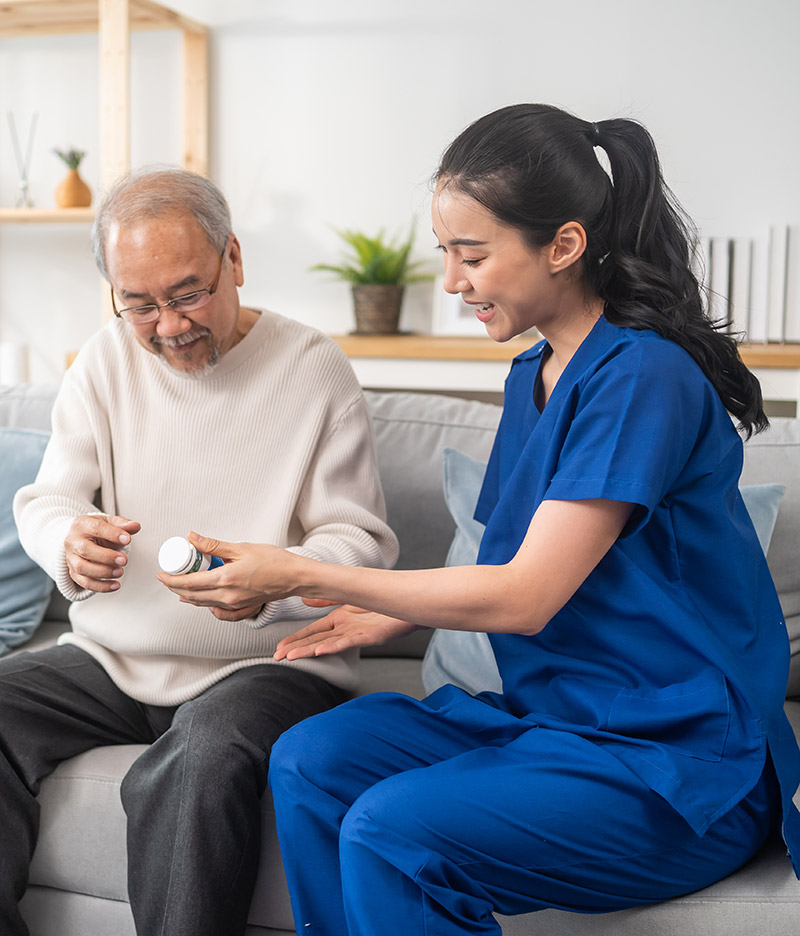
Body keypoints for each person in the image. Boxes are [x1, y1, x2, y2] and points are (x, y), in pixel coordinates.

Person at [159, 105, 800, 935]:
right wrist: (381, 611)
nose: (454, 281)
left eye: (473, 255)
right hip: (560, 729)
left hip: (679, 764)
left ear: (563, 246)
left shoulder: (643, 377)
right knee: (312, 759)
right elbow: (508, 557)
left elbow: (525, 596)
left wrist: (302, 569)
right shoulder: (533, 374)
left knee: (392, 830)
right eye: (447, 255)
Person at [4, 166, 398, 936]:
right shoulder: (105, 362)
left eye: (188, 294)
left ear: (235, 261)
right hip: (113, 659)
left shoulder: (312, 367)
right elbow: (49, 499)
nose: (170, 325)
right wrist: (67, 540)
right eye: (140, 304)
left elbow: (360, 544)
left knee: (201, 759)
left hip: (270, 664)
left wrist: (274, 586)